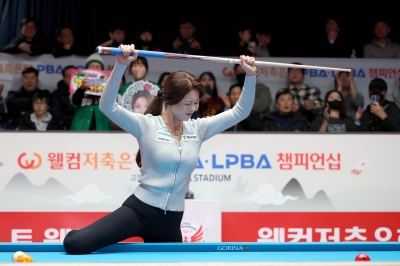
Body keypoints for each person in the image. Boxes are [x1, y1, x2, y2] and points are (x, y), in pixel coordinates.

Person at [63, 44, 256, 254]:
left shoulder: (198, 129)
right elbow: (107, 106)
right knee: (76, 244)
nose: (193, 109)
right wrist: (120, 66)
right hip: (139, 211)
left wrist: (250, 76)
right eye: (188, 103)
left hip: (171, 221)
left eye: (196, 103)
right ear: (170, 101)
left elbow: (240, 112)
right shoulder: (146, 125)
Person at [70, 54, 113, 131]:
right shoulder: (78, 83)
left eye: (97, 67)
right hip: (81, 126)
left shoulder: (108, 83)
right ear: (86, 69)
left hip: (102, 125)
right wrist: (81, 89)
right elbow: (74, 102)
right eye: (92, 66)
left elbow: (113, 104)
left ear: (102, 70)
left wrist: (111, 82)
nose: (94, 69)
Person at [50, 65, 77, 129]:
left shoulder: (87, 93)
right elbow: (57, 115)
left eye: (74, 75)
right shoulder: (56, 95)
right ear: (64, 79)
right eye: (68, 76)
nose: (71, 79)